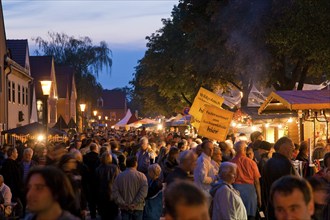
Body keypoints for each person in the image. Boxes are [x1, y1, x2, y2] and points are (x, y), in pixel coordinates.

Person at [262, 137, 296, 219]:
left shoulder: (269, 162)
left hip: (272, 206)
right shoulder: (285, 163)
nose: (293, 151)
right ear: (284, 148)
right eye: (292, 147)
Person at [231, 141, 261, 220]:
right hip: (250, 191)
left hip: (235, 190)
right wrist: (259, 198)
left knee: (238, 215)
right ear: (245, 149)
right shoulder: (251, 162)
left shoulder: (231, 163)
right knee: (250, 215)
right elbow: (257, 182)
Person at [112, 156, 148, 220]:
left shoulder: (119, 176)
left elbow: (115, 192)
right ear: (136, 163)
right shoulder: (142, 176)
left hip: (124, 207)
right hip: (137, 207)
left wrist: (123, 203)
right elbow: (143, 193)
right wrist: (134, 203)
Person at [95, 152, 120, 220]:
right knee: (113, 214)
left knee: (104, 215)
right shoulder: (114, 168)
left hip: (101, 194)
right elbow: (118, 180)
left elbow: (96, 183)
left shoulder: (98, 169)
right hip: (112, 193)